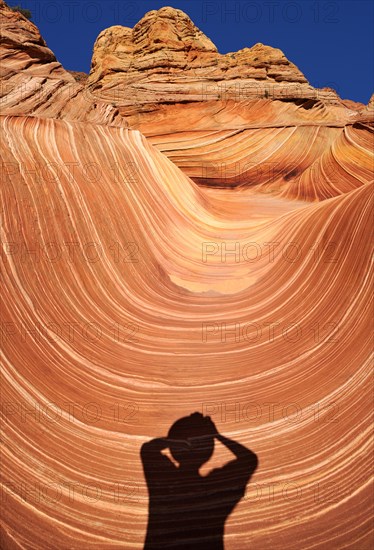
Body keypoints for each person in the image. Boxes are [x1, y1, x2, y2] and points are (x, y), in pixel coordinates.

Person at [141, 412, 258, 549]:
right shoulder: (215, 490)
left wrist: (179, 441)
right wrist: (215, 435)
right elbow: (249, 460)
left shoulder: (164, 484)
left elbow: (148, 449)